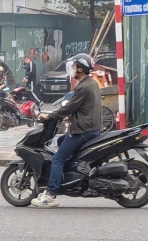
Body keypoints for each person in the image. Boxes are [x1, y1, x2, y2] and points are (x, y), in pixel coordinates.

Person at [31, 55, 100, 208]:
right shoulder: (91, 84)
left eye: (75, 66)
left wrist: (49, 116)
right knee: (61, 141)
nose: (72, 68)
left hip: (82, 131)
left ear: (80, 69)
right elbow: (80, 108)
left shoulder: (83, 87)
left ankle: (50, 194)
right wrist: (67, 116)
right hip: (91, 129)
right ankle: (70, 177)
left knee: (57, 159)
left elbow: (69, 107)